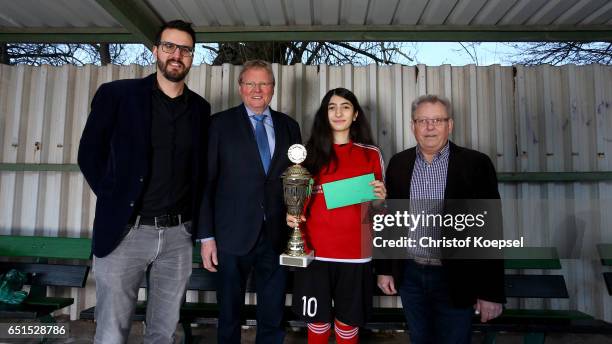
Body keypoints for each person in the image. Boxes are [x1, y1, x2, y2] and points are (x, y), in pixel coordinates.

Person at [78, 20, 210, 343]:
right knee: (112, 331)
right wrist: (114, 198)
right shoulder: (117, 96)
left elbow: (201, 171)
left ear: (192, 57)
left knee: (163, 332)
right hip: (126, 231)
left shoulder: (200, 110)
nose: (176, 55)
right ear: (155, 51)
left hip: (178, 237)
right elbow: (89, 154)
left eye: (185, 49)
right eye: (169, 46)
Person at [376, 94, 505, 344]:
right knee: (419, 339)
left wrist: (490, 292)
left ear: (450, 125)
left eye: (437, 120)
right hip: (411, 275)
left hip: (456, 276)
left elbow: (492, 231)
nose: (429, 127)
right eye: (422, 120)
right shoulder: (399, 164)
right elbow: (388, 221)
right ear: (413, 126)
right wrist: (384, 270)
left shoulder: (476, 164)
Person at [197, 60, 302, 344]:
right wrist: (206, 236)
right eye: (251, 83)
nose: (257, 90)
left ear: (273, 88)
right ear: (240, 87)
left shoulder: (289, 126)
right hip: (230, 236)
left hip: (277, 235)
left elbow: (297, 180)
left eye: (264, 83)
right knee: (229, 314)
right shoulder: (219, 124)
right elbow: (206, 182)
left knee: (273, 314)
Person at [287, 88, 386, 344]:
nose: (338, 112)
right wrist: (292, 216)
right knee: (317, 323)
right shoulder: (307, 154)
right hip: (316, 253)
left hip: (355, 254)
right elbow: (299, 201)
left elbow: (377, 208)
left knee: (347, 323)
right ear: (324, 113)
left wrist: (380, 200)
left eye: (345, 106)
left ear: (355, 115)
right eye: (332, 107)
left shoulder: (371, 154)